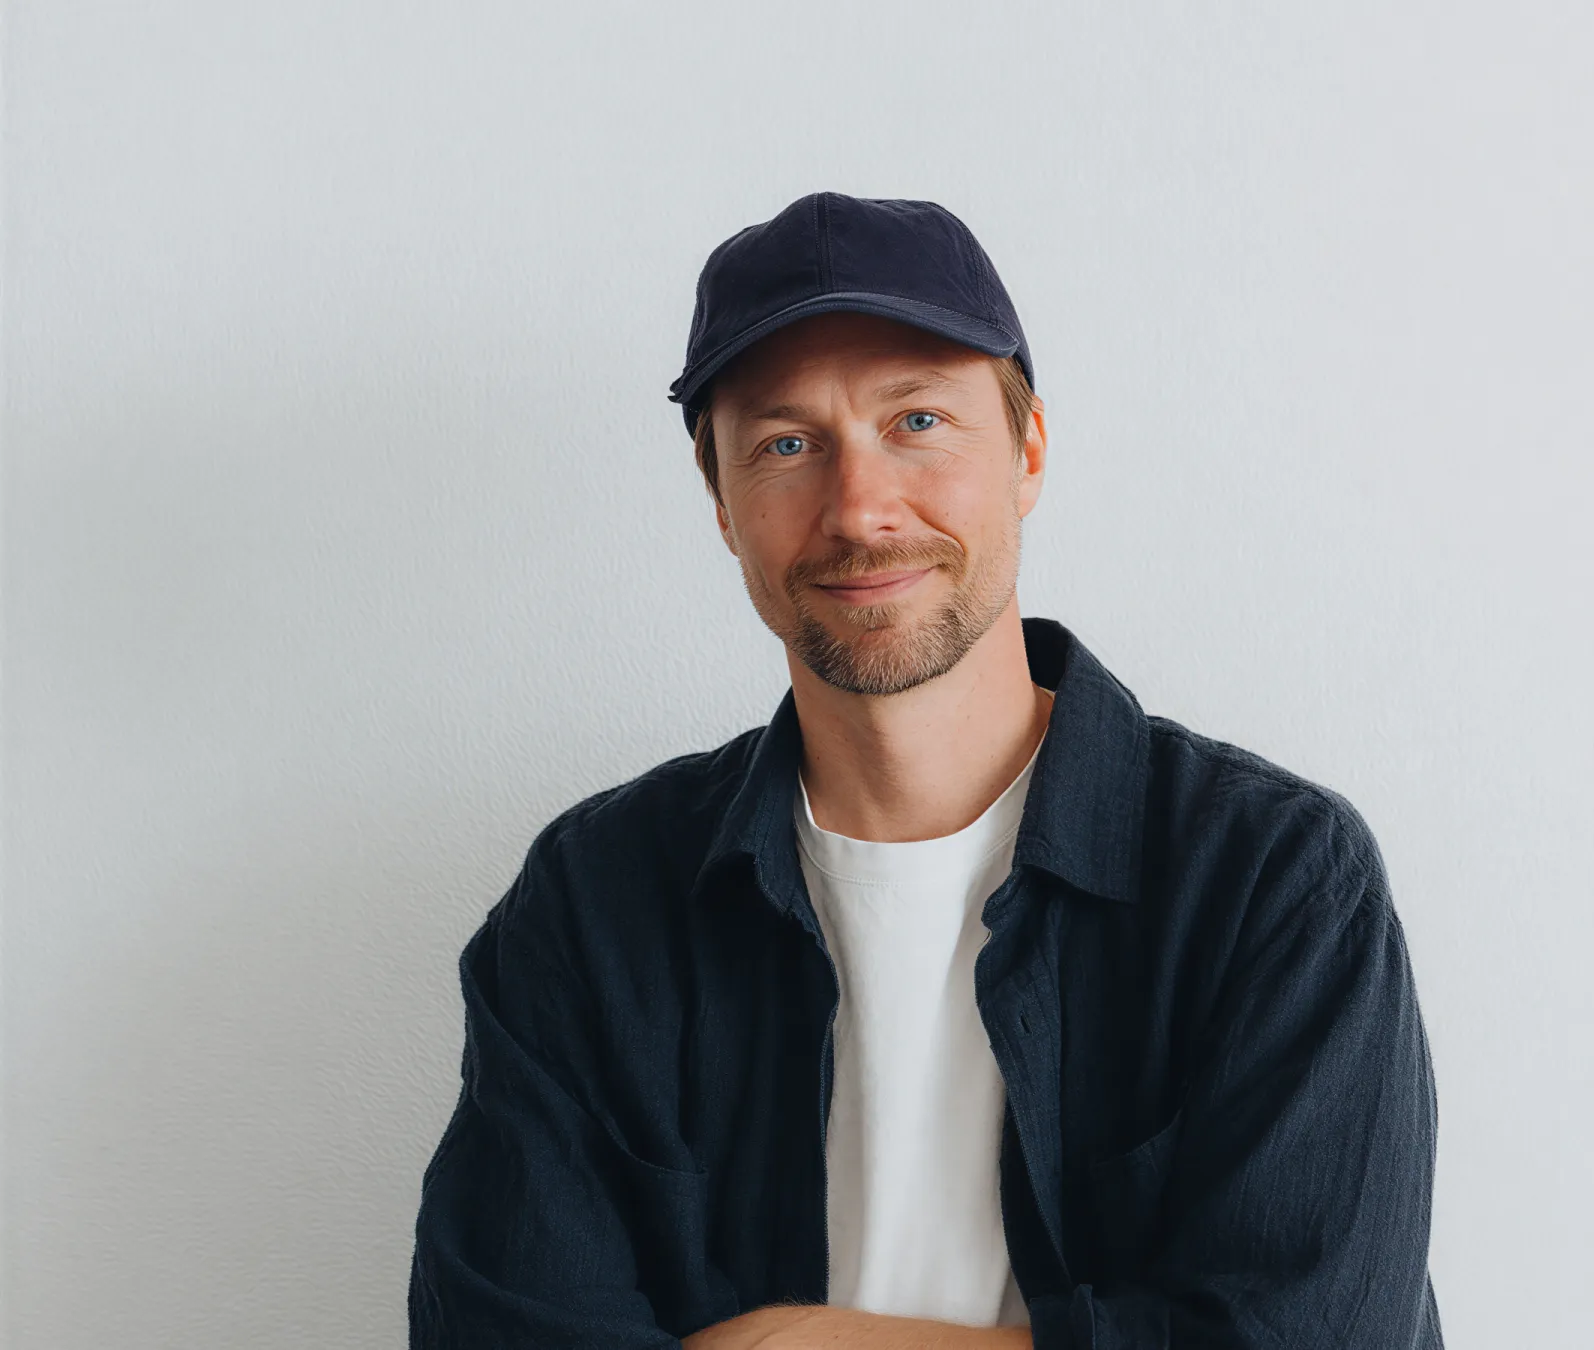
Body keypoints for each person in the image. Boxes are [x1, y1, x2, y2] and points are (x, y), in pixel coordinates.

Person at [408, 191, 1445, 1350]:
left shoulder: (1269, 878)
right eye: (787, 445)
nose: (861, 511)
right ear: (722, 502)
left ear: (1027, 453)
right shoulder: (594, 901)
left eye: (917, 422)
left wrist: (794, 1344)